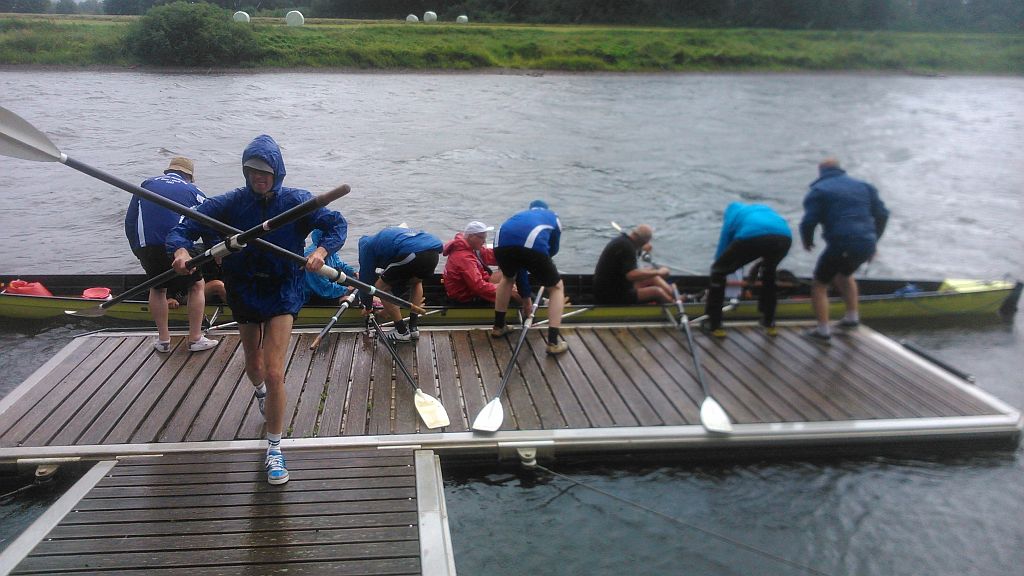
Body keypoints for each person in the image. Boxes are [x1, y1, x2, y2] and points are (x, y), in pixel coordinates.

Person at [167, 135, 348, 485]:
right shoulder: (231, 203)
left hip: (283, 286)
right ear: (245, 172)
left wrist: (322, 252)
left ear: (277, 172)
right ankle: (261, 393)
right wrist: (180, 252)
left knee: (275, 369)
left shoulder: (296, 200)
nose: (258, 177)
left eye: (265, 172)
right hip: (244, 286)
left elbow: (335, 223)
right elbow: (185, 227)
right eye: (252, 171)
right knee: (254, 365)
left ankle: (275, 449)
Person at [124, 156, 218, 354]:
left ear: (169, 171)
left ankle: (163, 340)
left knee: (158, 289)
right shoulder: (195, 192)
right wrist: (214, 251)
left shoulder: (146, 185)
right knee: (196, 285)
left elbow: (130, 221)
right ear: (189, 176)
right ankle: (195, 338)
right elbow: (207, 223)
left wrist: (138, 251)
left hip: (146, 246)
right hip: (178, 249)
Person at [799, 158, 889, 344]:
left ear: (821, 171)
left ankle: (822, 332)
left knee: (819, 284)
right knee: (844, 274)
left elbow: (808, 221)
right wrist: (874, 241)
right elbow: (883, 214)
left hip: (842, 243)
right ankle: (851, 318)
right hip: (866, 242)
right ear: (840, 168)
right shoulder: (865, 186)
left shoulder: (819, 191)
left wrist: (807, 241)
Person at [704, 202, 792, 338]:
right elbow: (770, 236)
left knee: (718, 271)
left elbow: (723, 247)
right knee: (769, 273)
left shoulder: (732, 215)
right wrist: (757, 265)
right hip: (785, 237)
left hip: (753, 235)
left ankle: (714, 324)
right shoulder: (762, 209)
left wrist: (719, 267)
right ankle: (769, 323)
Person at [492, 199, 568, 355]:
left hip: (500, 243)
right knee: (556, 287)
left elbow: (520, 265)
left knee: (507, 278)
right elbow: (552, 250)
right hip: (531, 246)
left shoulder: (521, 215)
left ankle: (499, 326)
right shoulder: (553, 216)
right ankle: (553, 342)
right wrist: (542, 273)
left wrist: (526, 297)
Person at [357, 226, 443, 342]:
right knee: (416, 281)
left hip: (413, 253)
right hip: (432, 252)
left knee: (380, 287)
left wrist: (367, 306)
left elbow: (366, 281)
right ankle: (413, 328)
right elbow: (400, 278)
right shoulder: (385, 240)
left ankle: (401, 331)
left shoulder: (365, 247)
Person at [442, 220, 525, 306]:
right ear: (471, 237)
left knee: (506, 274)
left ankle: (523, 295)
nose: (484, 242)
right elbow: (478, 287)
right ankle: (526, 306)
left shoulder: (470, 248)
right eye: (482, 238)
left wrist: (518, 258)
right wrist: (504, 289)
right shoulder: (464, 258)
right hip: (466, 298)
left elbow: (493, 256)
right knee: (511, 289)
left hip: (474, 289)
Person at [592, 224, 673, 305]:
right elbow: (631, 275)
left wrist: (641, 248)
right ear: (642, 241)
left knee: (653, 278)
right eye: (645, 243)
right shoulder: (627, 247)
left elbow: (631, 259)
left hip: (615, 287)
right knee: (656, 292)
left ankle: (675, 296)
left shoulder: (624, 241)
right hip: (611, 296)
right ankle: (675, 305)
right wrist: (659, 272)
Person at [303, 229, 356, 304]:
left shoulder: (329, 250)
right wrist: (346, 290)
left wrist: (354, 272)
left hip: (325, 287)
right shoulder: (311, 256)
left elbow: (339, 264)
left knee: (355, 285)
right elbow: (322, 288)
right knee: (353, 299)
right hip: (313, 295)